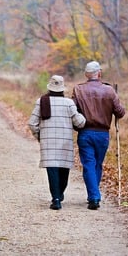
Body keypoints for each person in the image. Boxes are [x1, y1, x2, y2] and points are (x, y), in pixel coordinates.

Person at [72, 61, 125, 210]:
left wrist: (77, 123)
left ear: (86, 74)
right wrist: (116, 101)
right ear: (99, 73)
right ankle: (94, 196)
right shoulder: (109, 91)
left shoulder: (78, 90)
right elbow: (120, 112)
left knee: (89, 164)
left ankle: (93, 196)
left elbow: (72, 110)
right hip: (103, 135)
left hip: (85, 132)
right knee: (97, 164)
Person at [28, 75, 86, 210]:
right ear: (62, 89)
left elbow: (32, 123)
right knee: (63, 171)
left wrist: (40, 136)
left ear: (50, 87)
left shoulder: (41, 101)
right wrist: (83, 115)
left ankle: (56, 198)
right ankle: (59, 195)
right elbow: (80, 123)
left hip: (48, 143)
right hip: (65, 142)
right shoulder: (69, 103)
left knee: (52, 170)